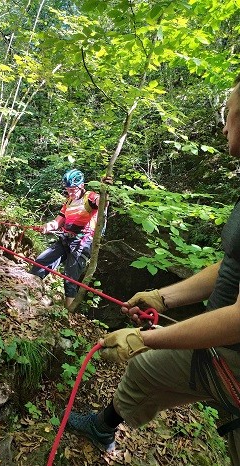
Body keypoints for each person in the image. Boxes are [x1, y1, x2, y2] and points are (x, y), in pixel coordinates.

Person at [65, 74, 240, 465]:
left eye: (229, 114)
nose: (225, 124)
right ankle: (102, 427)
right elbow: (230, 265)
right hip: (224, 351)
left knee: (146, 360)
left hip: (233, 356)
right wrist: (163, 297)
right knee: (146, 371)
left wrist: (145, 338)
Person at [30, 169, 101, 309]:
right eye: (68, 189)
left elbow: (103, 202)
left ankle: (68, 313)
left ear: (81, 186)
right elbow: (58, 222)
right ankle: (32, 293)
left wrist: (105, 189)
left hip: (82, 242)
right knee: (41, 261)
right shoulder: (68, 201)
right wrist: (47, 226)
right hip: (65, 239)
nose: (70, 192)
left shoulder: (91, 197)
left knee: (70, 277)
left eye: (73, 189)